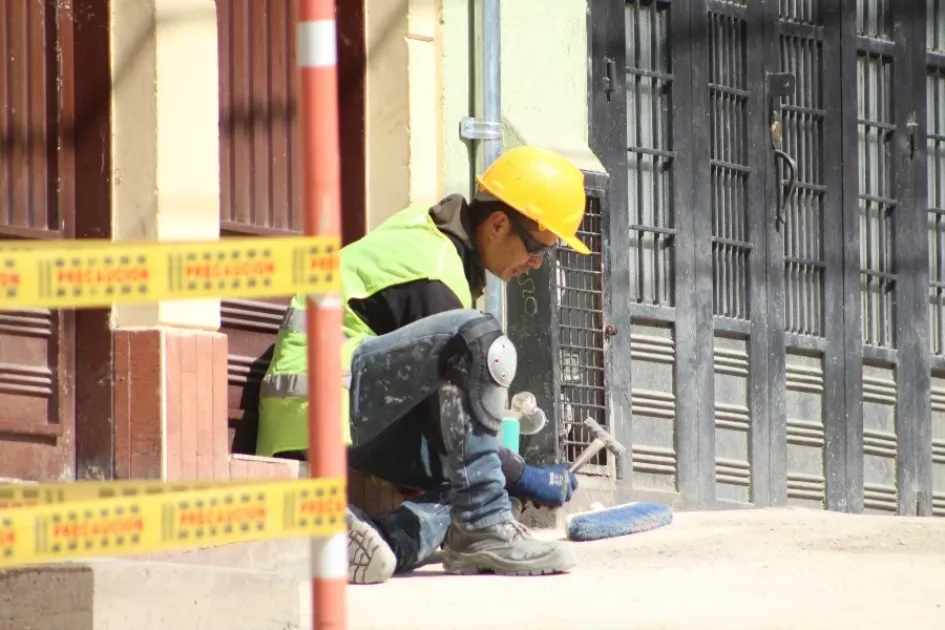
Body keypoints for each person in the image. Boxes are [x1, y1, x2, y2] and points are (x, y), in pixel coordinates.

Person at [256, 146, 589, 583]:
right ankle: (487, 529)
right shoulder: (433, 269)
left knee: (473, 484)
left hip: (343, 405)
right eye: (534, 247)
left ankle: (381, 542)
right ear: (498, 223)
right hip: (317, 400)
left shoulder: (442, 250)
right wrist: (524, 474)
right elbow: (443, 418)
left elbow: (459, 437)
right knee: (480, 337)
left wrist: (504, 475)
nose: (536, 263)